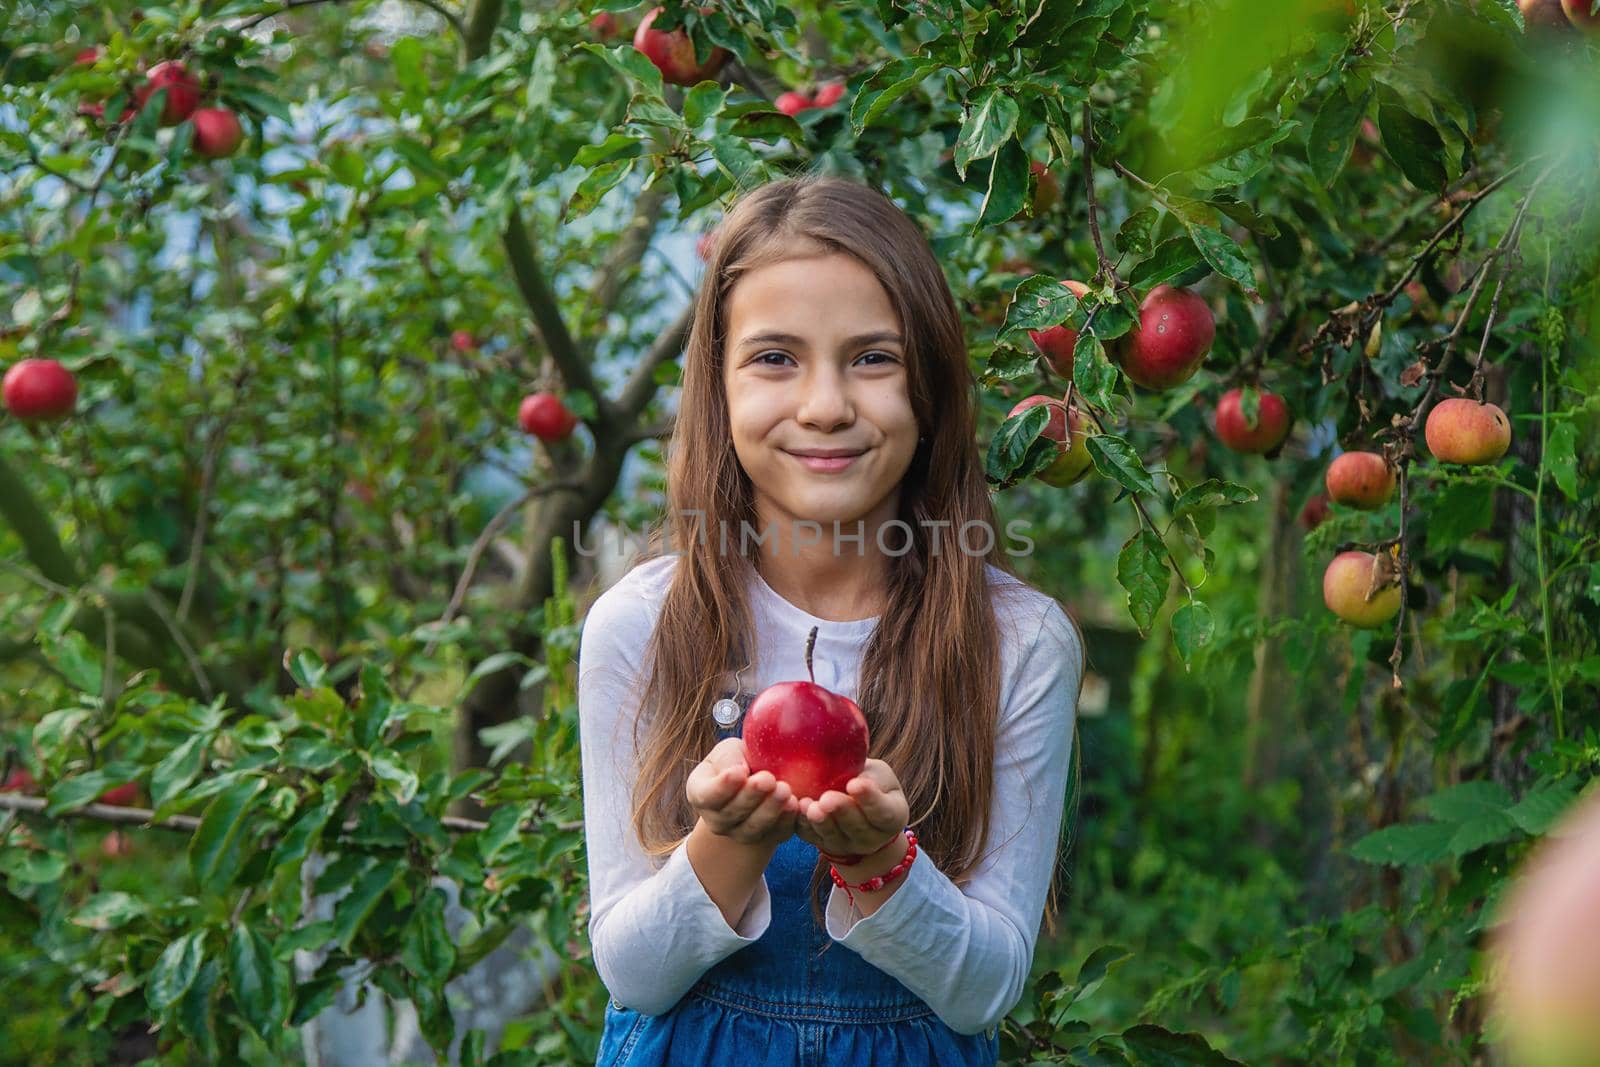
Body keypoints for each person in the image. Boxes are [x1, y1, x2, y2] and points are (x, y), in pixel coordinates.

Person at [577, 173, 1086, 1066]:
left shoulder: (1019, 643)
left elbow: (987, 989)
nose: (824, 405)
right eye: (775, 357)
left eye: (873, 357)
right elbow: (634, 975)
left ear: (928, 387)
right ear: (718, 388)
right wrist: (729, 842)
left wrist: (881, 859)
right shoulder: (646, 625)